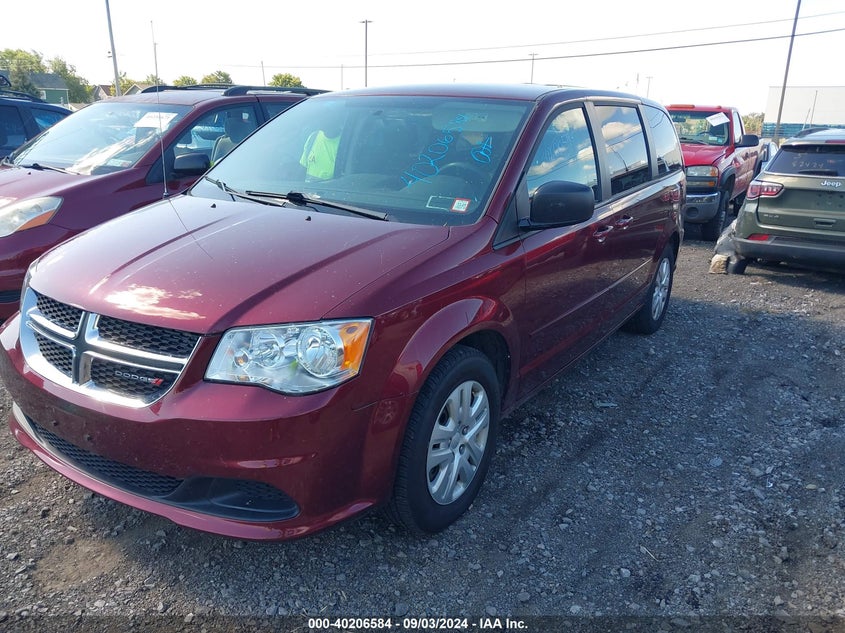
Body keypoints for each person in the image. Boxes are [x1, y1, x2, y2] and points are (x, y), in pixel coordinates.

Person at [300, 109, 344, 180]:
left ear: (337, 120)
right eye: (322, 118)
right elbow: (303, 168)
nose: (322, 121)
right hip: (305, 190)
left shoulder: (345, 142)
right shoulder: (313, 137)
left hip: (330, 190)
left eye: (328, 118)